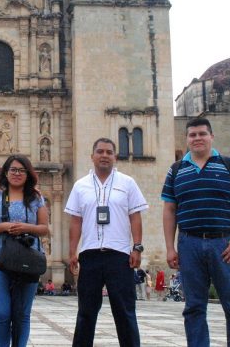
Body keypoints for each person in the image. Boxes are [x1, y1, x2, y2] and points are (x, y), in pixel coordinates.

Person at [162, 117, 230, 347]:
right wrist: (170, 247)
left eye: (202, 134)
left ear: (211, 137)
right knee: (193, 307)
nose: (197, 138)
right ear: (187, 139)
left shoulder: (229, 165)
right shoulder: (176, 170)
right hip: (189, 244)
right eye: (192, 135)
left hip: (225, 244)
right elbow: (169, 209)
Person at [65, 138, 148, 347]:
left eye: (109, 152)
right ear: (92, 156)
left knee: (125, 311)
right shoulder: (80, 185)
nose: (104, 155)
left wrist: (137, 247)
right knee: (86, 312)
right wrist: (72, 251)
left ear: (115, 156)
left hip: (119, 255)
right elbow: (76, 221)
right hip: (90, 255)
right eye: (100, 151)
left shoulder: (127, 183)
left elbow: (135, 217)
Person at [0, 154, 49, 347]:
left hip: (29, 259)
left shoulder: (36, 198)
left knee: (22, 313)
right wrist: (5, 226)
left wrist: (26, 228)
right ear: (6, 173)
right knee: (1, 312)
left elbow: (45, 228)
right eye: (13, 170)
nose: (17, 174)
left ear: (28, 174)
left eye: (21, 170)